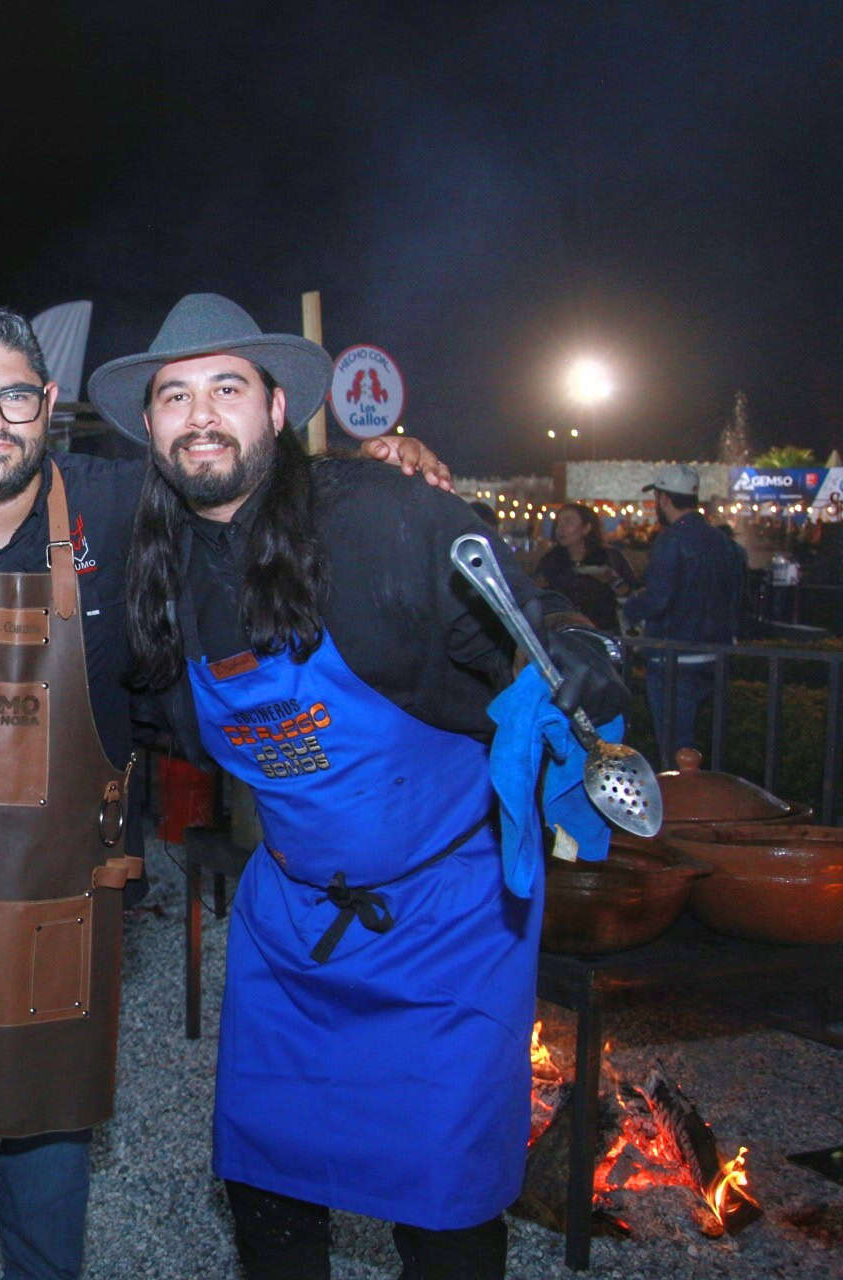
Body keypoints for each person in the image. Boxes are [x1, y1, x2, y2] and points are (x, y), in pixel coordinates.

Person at [0, 306, 453, 1280]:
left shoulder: (122, 501)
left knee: (49, 1130)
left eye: (10, 396)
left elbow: (249, 481)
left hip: (66, 890)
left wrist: (379, 473)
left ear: (47, 403)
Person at [92, 292, 627, 1280]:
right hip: (292, 923)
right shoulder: (151, 565)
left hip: (448, 922)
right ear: (151, 425)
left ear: (275, 408)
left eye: (226, 387)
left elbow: (525, 620)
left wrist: (586, 651)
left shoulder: (381, 518)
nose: (201, 413)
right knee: (268, 1184)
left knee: (445, 1199)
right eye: (175, 395)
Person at [621, 464, 746, 767]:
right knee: (703, 745)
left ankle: (678, 810)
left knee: (675, 748)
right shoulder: (724, 542)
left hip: (672, 655)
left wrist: (630, 607)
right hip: (713, 653)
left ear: (663, 499)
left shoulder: (670, 540)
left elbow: (659, 600)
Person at [535, 502, 637, 631]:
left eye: (568, 522)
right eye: (558, 523)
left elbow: (630, 595)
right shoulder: (551, 560)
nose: (560, 528)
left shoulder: (608, 557)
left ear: (586, 528)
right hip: (563, 634)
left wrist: (611, 579)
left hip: (602, 631)